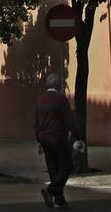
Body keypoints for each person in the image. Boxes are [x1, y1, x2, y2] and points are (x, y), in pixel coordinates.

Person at [34, 72, 78, 209]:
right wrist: (77, 135)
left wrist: (39, 141)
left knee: (54, 169)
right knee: (66, 166)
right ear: (58, 85)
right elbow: (69, 120)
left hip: (44, 139)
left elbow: (36, 123)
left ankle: (59, 199)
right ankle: (50, 190)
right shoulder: (61, 100)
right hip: (58, 138)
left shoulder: (40, 101)